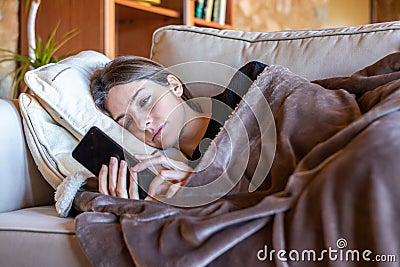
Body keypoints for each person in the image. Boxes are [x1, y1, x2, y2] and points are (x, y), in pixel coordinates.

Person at [90, 56, 266, 200]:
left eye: (144, 101)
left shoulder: (248, 84)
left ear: (174, 86)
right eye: (127, 123)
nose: (142, 124)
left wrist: (201, 181)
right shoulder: (173, 181)